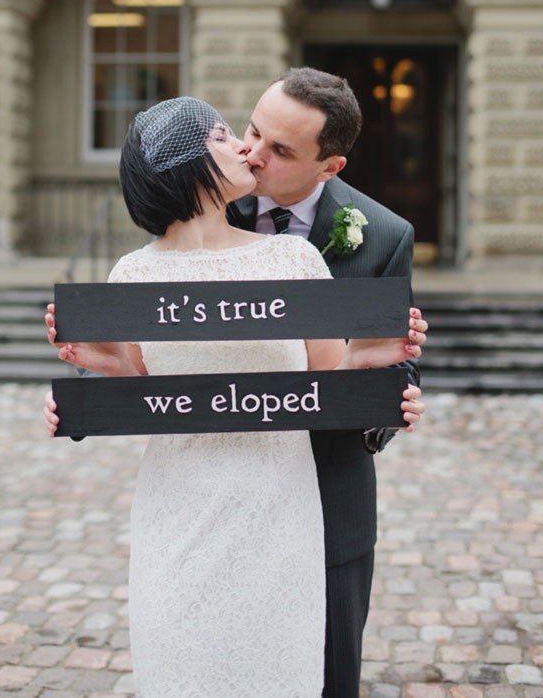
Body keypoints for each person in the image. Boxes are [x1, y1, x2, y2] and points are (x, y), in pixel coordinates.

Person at [43, 95, 426, 698]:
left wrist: (380, 362)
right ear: (190, 163)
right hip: (179, 507)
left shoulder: (293, 258)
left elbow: (329, 375)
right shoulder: (131, 276)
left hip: (279, 504)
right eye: (227, 136)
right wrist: (98, 376)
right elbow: (149, 397)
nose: (246, 147)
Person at [230, 67, 425, 698]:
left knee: (330, 673)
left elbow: (392, 357)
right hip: (223, 489)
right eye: (253, 131)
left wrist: (387, 403)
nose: (252, 154)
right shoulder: (205, 207)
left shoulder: (385, 236)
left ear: (329, 167)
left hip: (327, 489)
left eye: (280, 150)